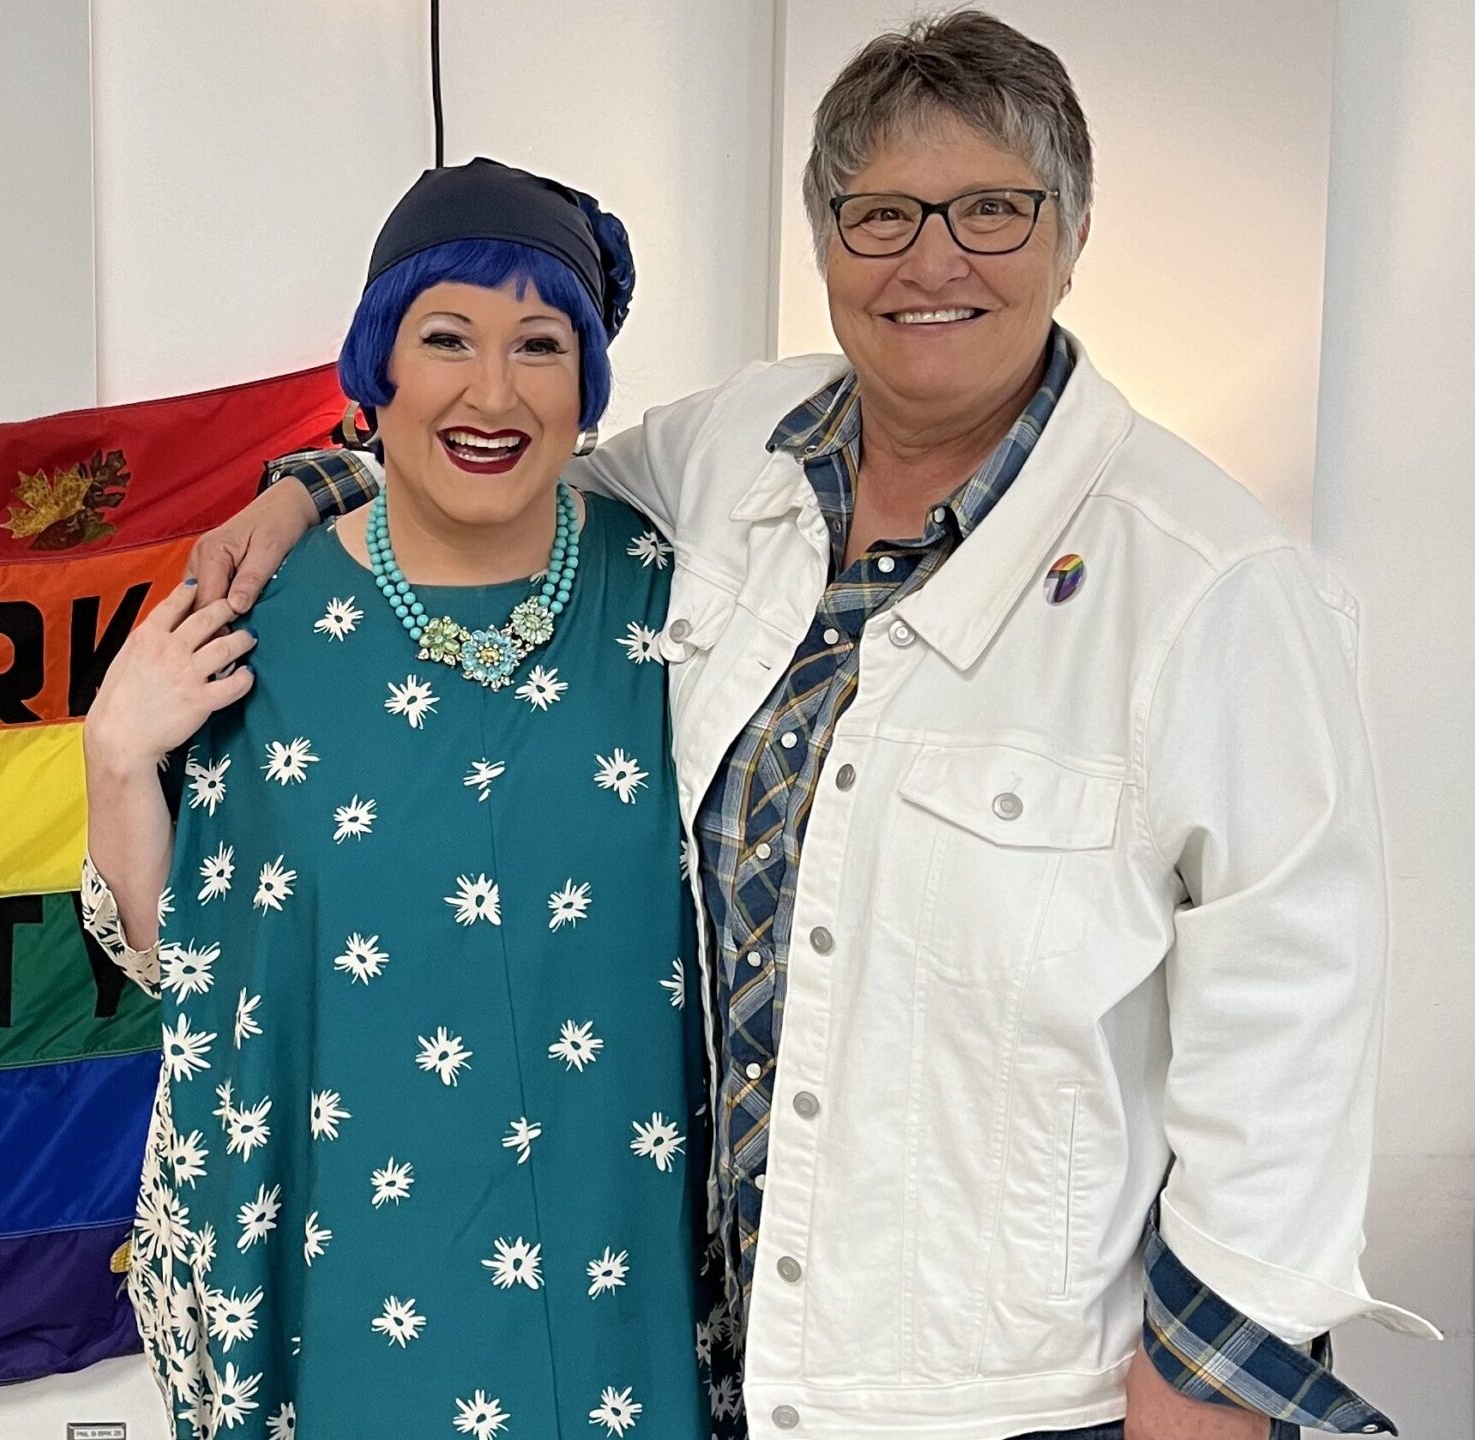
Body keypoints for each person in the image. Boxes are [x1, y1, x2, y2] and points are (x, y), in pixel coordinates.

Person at [188, 12, 1435, 1440]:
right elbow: (509, 458)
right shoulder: (739, 451)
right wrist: (303, 489)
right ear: (827, 243)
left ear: (1072, 234)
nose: (933, 259)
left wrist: (1211, 1386)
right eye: (883, 213)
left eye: (992, 210)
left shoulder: (1214, 583)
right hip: (729, 1361)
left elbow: (1295, 1018)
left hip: (1018, 1391)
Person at [82, 159, 711, 1438]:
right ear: (376, 372)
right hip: (357, 1282)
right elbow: (187, 964)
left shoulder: (691, 610)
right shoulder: (257, 624)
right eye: (446, 339)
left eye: (539, 345)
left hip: (627, 1280)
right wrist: (114, 760)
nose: (492, 392)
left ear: (586, 386)